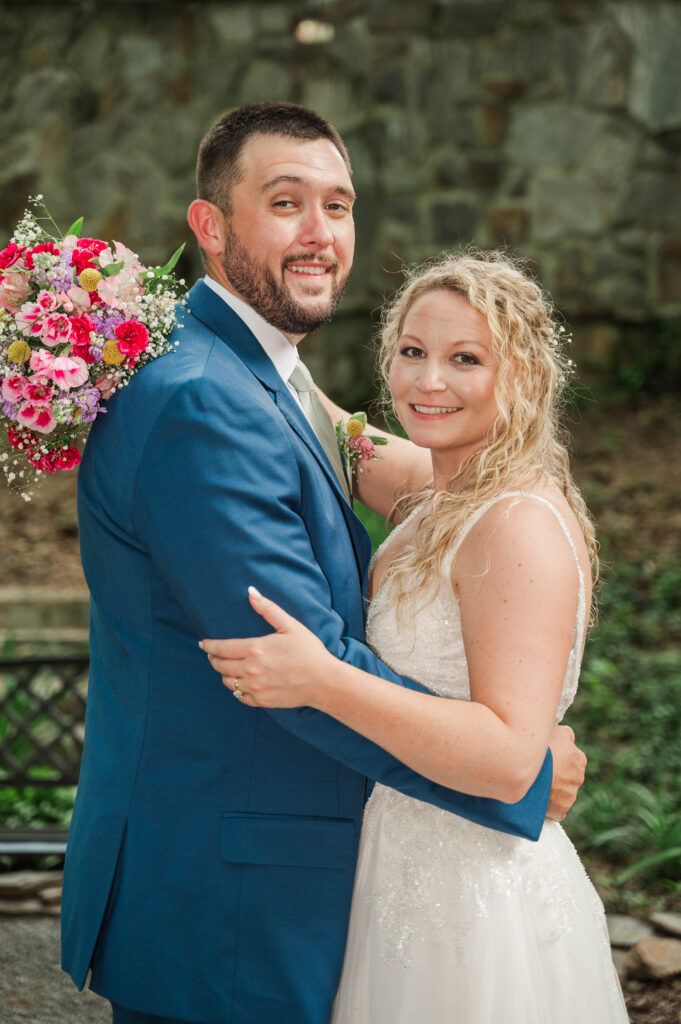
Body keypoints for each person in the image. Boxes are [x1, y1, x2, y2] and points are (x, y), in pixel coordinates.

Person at [61, 103, 585, 1024]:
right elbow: (296, 668)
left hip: (308, 880)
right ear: (210, 227)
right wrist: (518, 773)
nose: (319, 234)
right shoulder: (203, 404)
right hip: (229, 904)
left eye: (337, 206)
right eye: (286, 203)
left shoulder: (262, 384)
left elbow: (419, 467)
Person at [201, 252, 629, 1022]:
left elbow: (507, 759)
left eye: (465, 359)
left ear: (523, 377)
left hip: (474, 895)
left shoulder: (513, 523)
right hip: (394, 864)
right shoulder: (435, 487)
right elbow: (324, 421)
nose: (427, 382)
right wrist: (167, 320)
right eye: (411, 352)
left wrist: (321, 679)